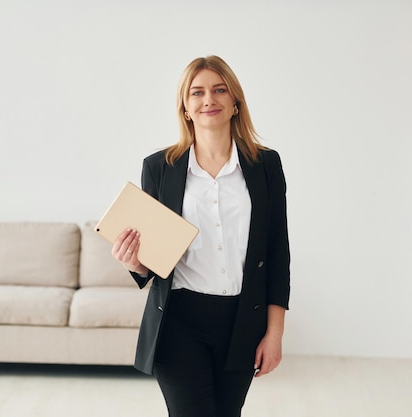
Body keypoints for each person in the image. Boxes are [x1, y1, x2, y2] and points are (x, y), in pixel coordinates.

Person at [111, 55, 290, 417]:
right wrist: (135, 262)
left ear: (235, 102)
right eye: (197, 93)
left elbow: (277, 253)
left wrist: (274, 335)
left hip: (244, 321)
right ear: (186, 108)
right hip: (180, 321)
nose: (209, 99)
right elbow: (154, 260)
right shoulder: (159, 168)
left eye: (219, 90)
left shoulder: (265, 165)